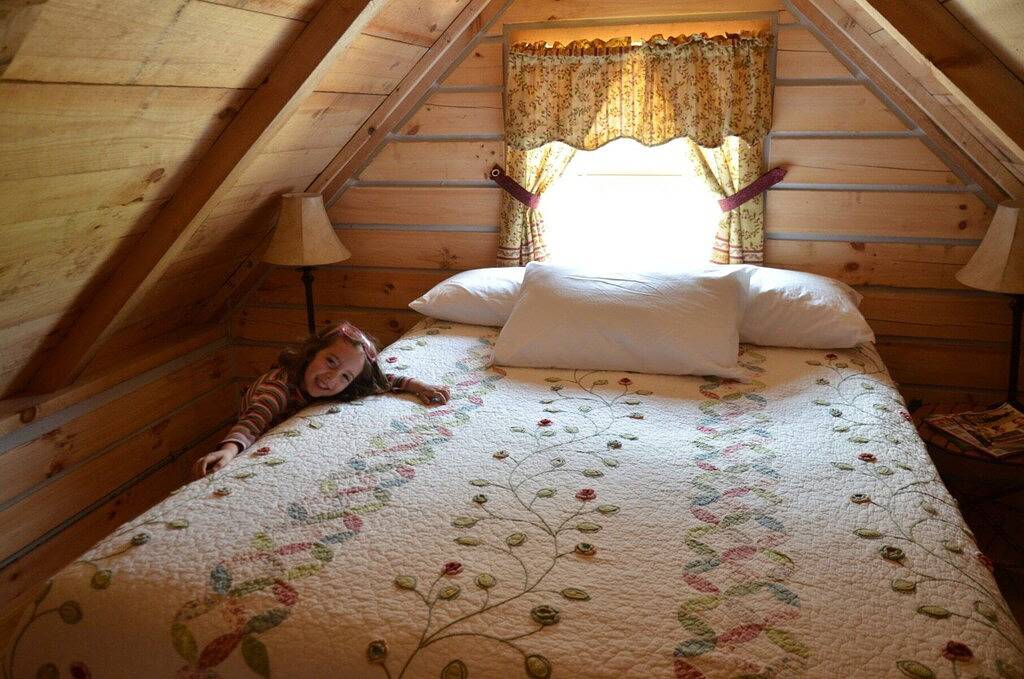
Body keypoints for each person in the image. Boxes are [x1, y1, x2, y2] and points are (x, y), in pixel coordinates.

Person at [192, 321, 450, 477]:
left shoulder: (339, 382)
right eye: (330, 361)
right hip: (261, 429)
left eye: (345, 376)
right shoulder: (276, 389)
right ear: (311, 352)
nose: (332, 378)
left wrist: (417, 385)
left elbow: (379, 383)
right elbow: (252, 421)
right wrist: (228, 450)